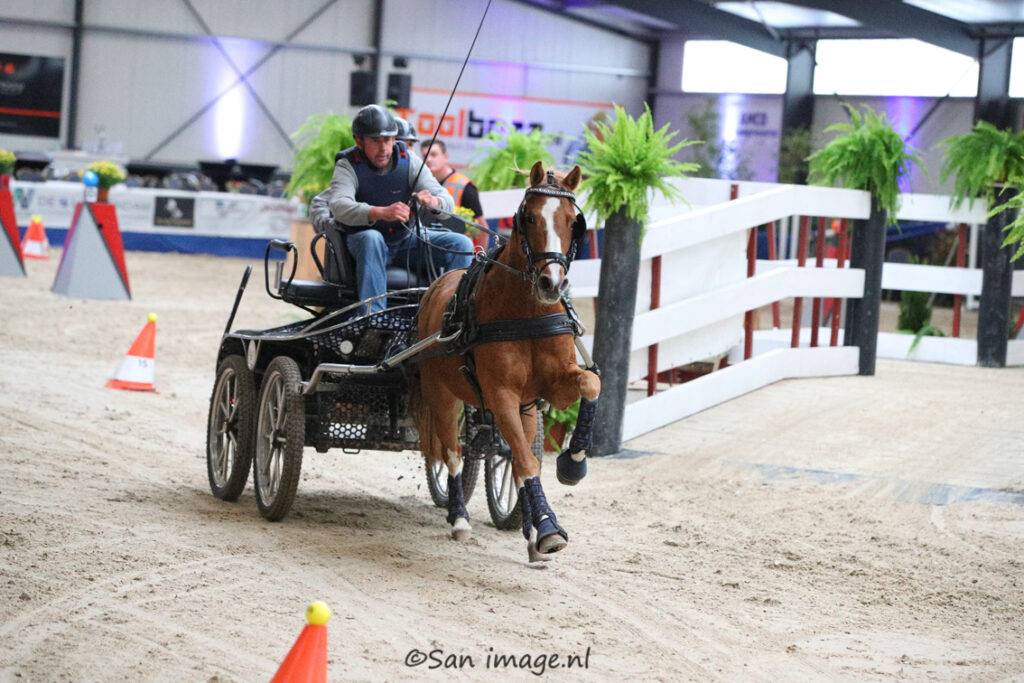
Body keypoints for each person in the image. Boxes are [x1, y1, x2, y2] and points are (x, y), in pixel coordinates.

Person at [311, 105, 472, 311]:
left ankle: (451, 312)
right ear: (359, 141)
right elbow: (339, 206)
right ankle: (374, 317)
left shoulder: (410, 161)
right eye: (375, 141)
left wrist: (434, 203)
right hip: (363, 242)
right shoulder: (347, 165)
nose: (383, 148)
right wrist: (380, 212)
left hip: (405, 241)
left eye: (388, 140)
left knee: (461, 244)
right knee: (372, 238)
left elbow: (445, 200)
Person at [421, 139, 488, 249]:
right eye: (425, 156)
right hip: (428, 248)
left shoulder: (464, 186)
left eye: (433, 154)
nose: (428, 159)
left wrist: (478, 257)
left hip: (458, 250)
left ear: (445, 156)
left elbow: (482, 230)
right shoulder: (421, 184)